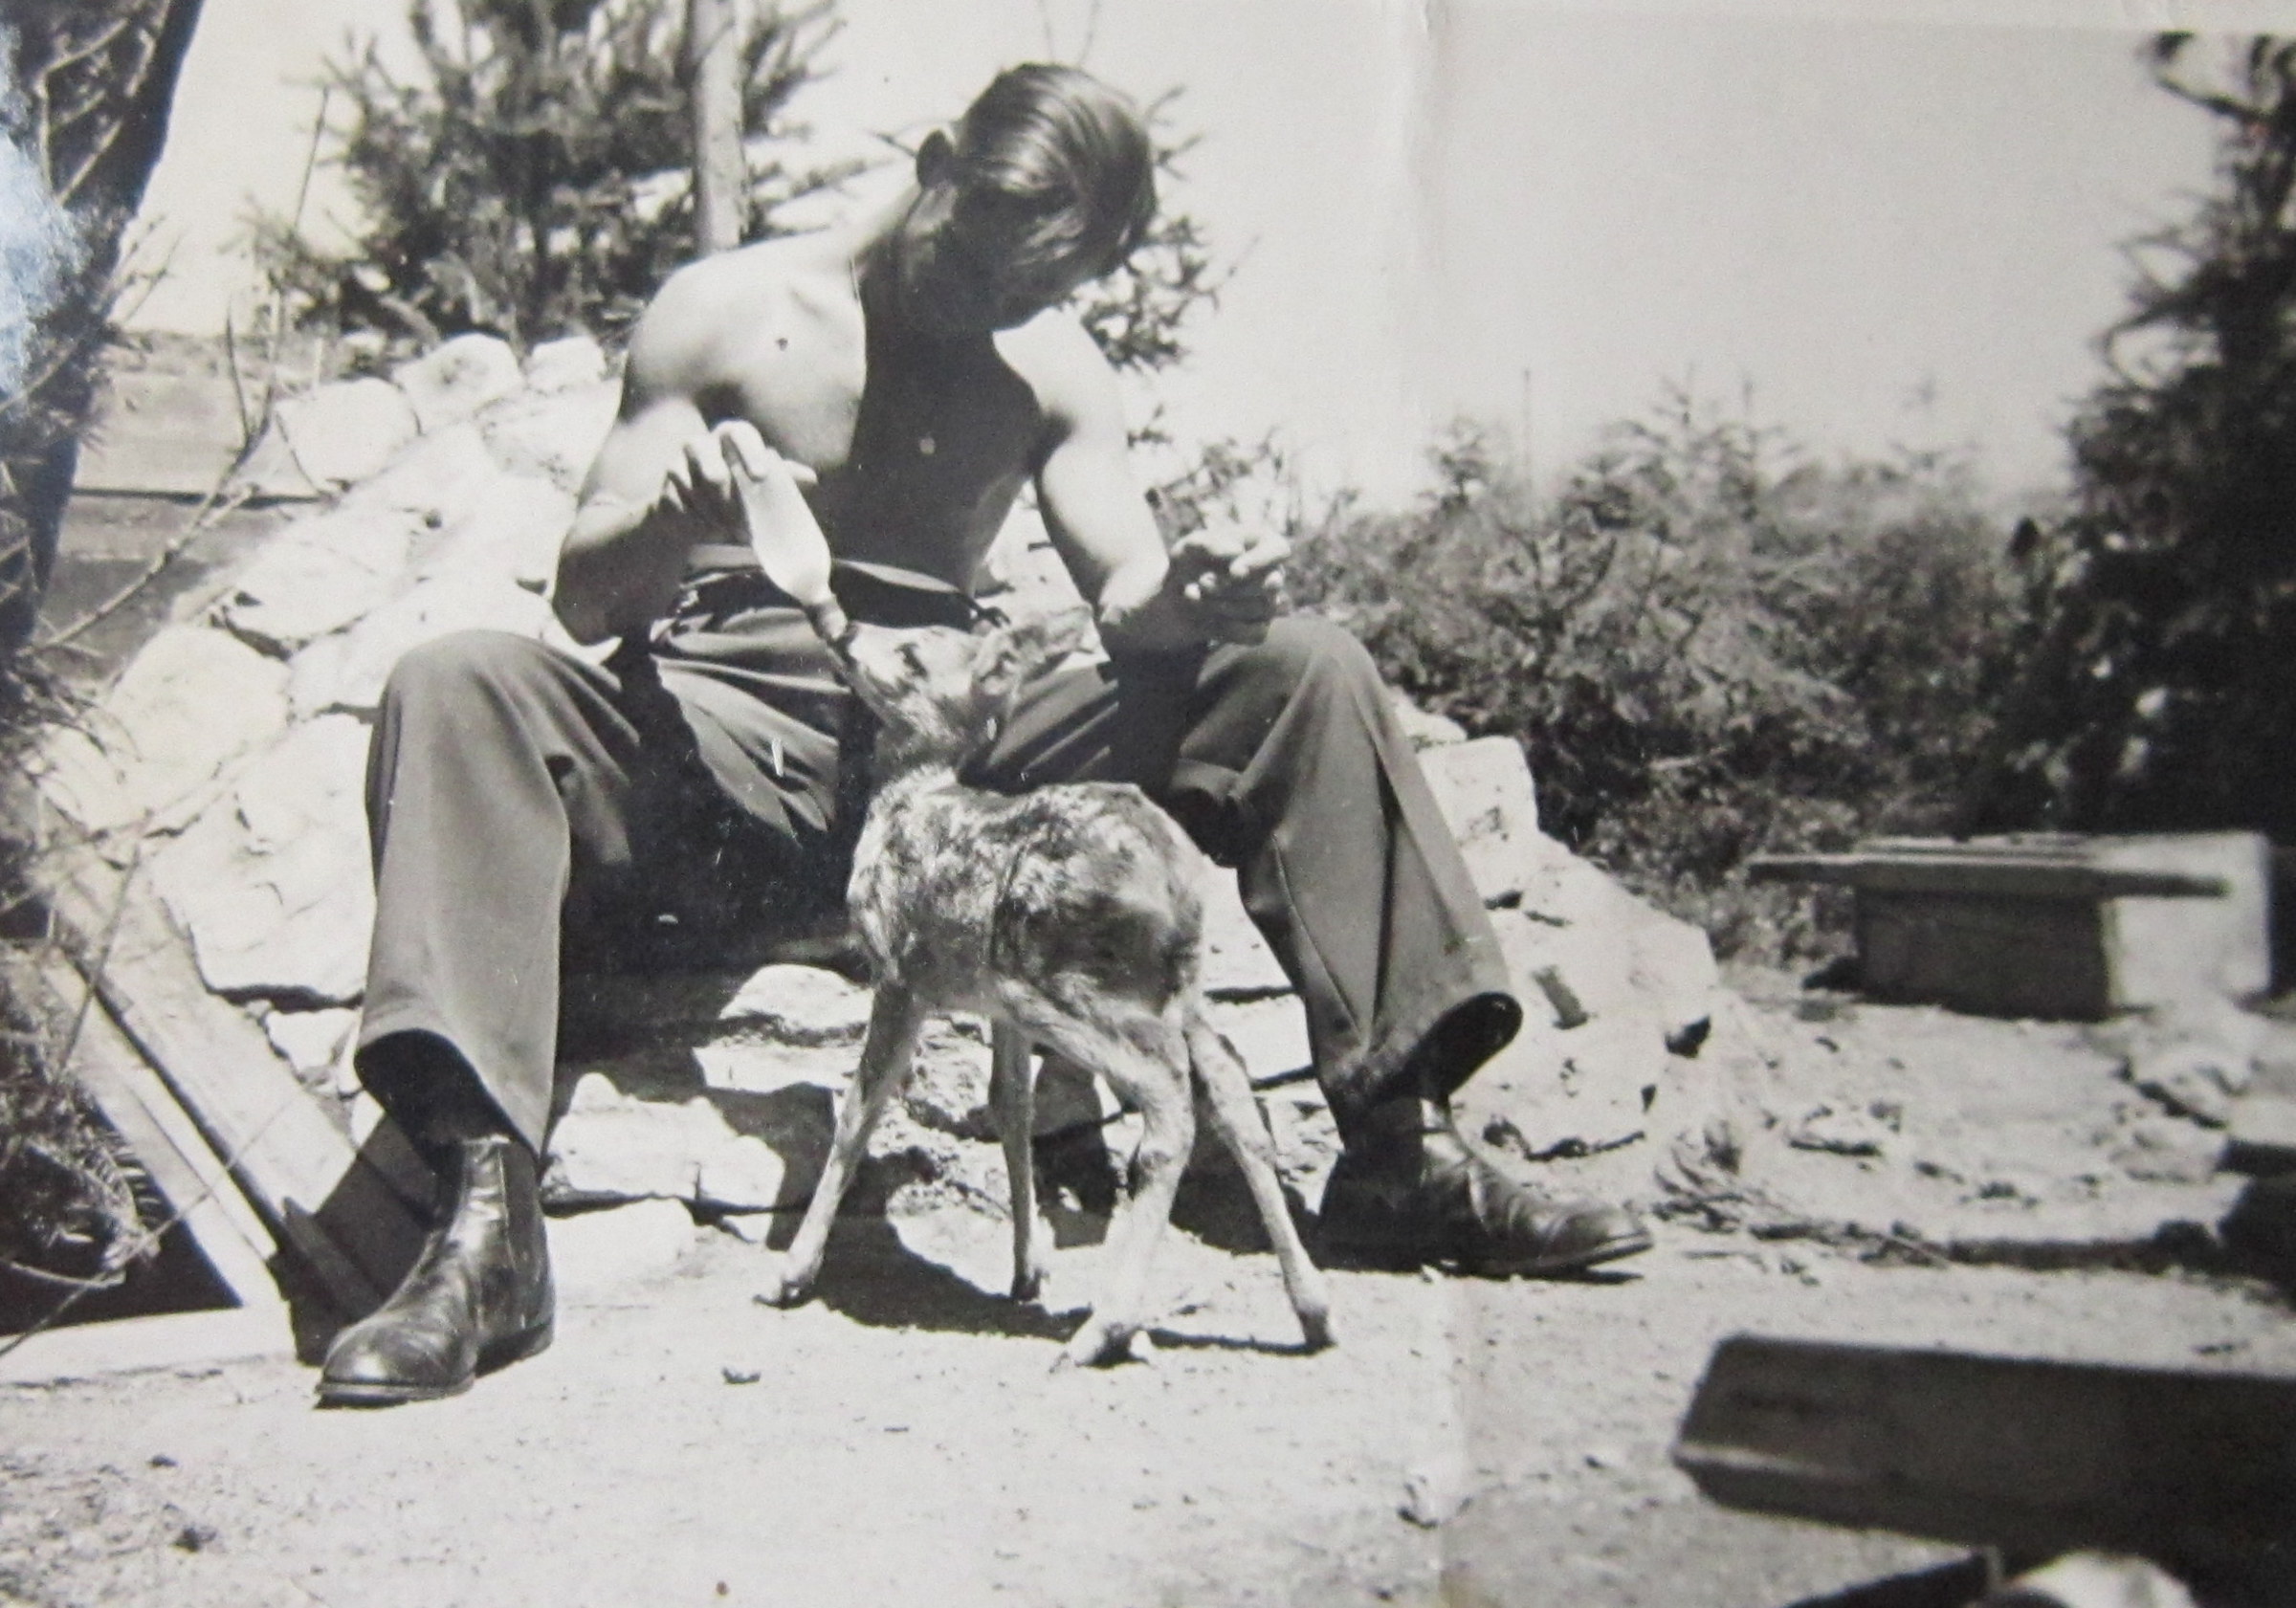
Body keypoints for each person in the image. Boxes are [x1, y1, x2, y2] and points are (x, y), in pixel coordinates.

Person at [318, 62, 1651, 1408]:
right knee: (455, 682)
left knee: (1301, 665)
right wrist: (668, 520)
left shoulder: (1048, 368)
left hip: (950, 755)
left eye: (1030, 295)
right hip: (724, 750)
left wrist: (1191, 597)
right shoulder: (724, 315)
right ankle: (487, 1234)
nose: (988, 310)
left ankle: (1398, 1149)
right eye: (975, 269)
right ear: (936, 163)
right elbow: (583, 598)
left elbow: (1128, 596)